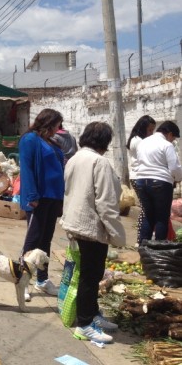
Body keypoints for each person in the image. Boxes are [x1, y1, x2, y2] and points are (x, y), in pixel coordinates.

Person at [61, 122, 126, 343]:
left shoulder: (75, 159)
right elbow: (106, 203)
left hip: (75, 223)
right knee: (90, 276)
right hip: (91, 228)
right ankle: (85, 324)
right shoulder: (100, 162)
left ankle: (92, 315)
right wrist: (118, 236)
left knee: (89, 275)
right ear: (105, 142)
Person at [18, 108, 65, 299]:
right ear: (47, 123)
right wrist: (32, 196)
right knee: (32, 241)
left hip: (53, 197)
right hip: (38, 197)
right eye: (56, 125)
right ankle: (23, 281)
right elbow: (27, 169)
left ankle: (42, 280)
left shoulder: (50, 142)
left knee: (46, 240)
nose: (58, 129)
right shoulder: (29, 140)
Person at [134, 121, 182, 242]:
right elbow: (174, 168)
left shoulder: (143, 142)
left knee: (148, 216)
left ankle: (143, 248)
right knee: (161, 218)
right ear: (169, 134)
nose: (173, 141)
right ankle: (158, 250)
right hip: (160, 183)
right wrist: (178, 178)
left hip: (141, 182)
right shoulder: (166, 145)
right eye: (173, 138)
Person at [126, 115, 156, 244]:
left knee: (146, 208)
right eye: (149, 130)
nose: (151, 134)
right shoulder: (138, 141)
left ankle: (143, 237)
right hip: (139, 176)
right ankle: (141, 238)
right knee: (146, 209)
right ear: (142, 128)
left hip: (139, 176)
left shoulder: (138, 139)